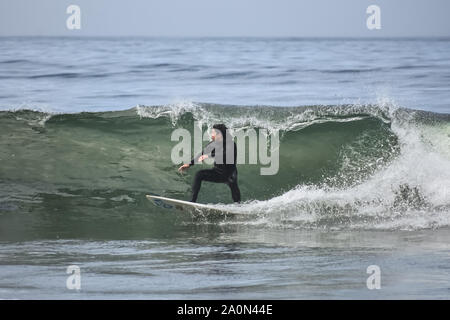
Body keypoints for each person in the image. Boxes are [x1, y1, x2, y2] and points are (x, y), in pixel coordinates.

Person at [178, 124, 241, 203]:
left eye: (213, 133)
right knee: (199, 175)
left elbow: (225, 155)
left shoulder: (231, 144)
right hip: (217, 172)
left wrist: (209, 155)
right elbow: (202, 153)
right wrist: (190, 164)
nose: (211, 135)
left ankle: (238, 206)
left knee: (233, 186)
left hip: (229, 173)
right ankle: (192, 201)